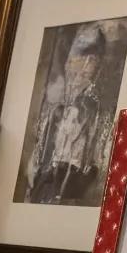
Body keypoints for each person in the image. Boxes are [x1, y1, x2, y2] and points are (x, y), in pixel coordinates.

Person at [24, 24, 110, 206]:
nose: (85, 66)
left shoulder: (99, 113)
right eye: (80, 55)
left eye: (93, 59)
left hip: (74, 192)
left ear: (99, 67)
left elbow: (97, 166)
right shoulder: (51, 109)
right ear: (68, 60)